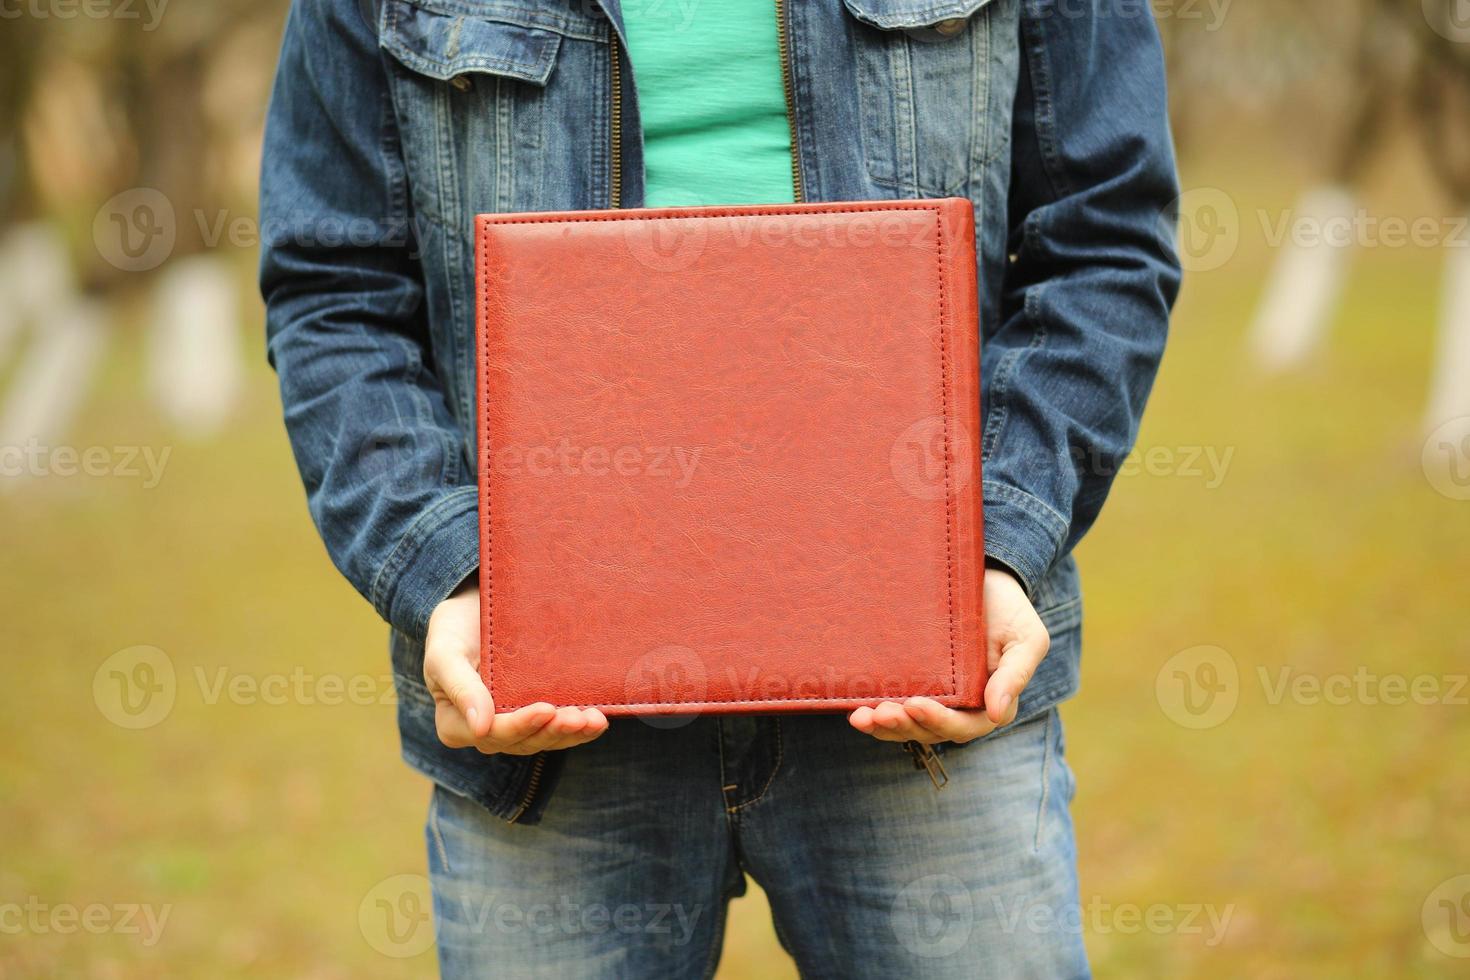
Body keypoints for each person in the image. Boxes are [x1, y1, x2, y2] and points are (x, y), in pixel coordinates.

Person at [259, 0, 1180, 975]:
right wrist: (453, 574)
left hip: (920, 674)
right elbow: (336, 288)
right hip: (546, 704)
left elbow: (1106, 237)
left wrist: (985, 545)